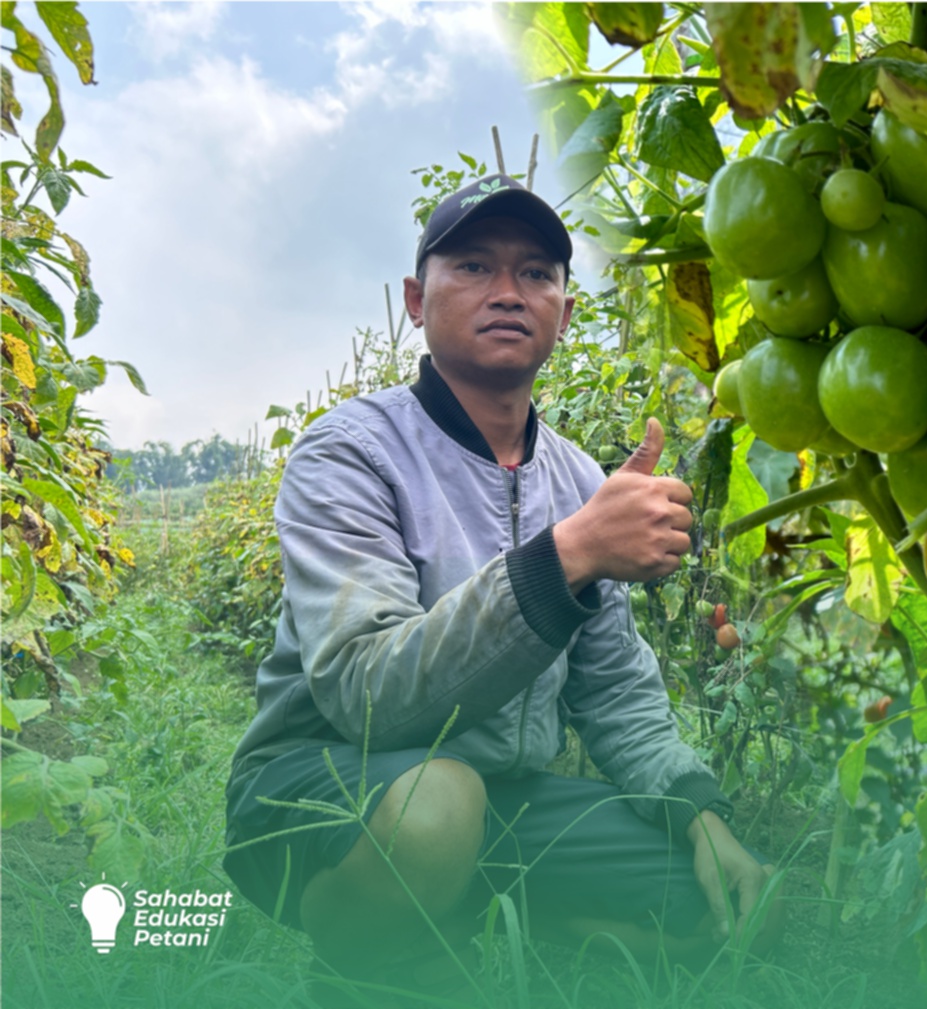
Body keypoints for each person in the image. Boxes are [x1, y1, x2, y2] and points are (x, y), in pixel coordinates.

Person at [220, 173, 782, 1004]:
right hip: (330, 783)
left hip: (505, 799)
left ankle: (464, 914)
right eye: (474, 267)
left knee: (714, 898)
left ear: (564, 307)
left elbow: (616, 689)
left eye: (536, 273)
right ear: (417, 299)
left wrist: (697, 812)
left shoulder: (578, 479)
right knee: (437, 807)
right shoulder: (348, 453)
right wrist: (568, 556)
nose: (508, 293)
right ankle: (357, 960)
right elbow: (366, 693)